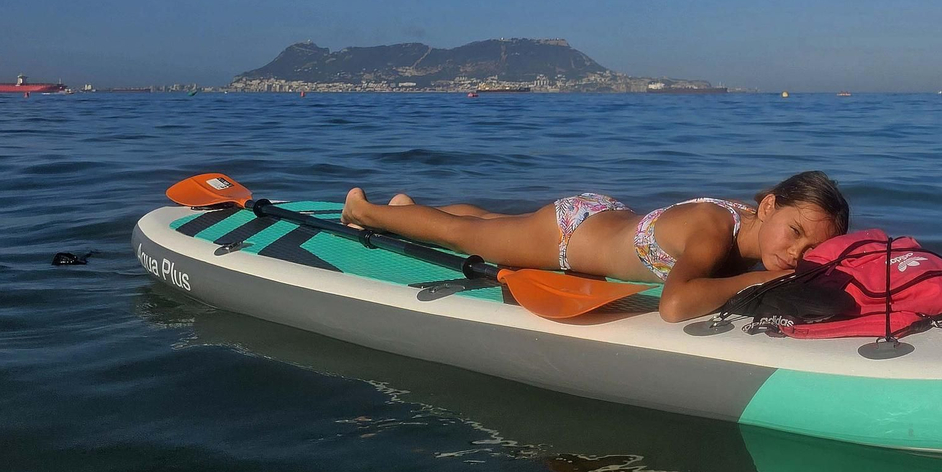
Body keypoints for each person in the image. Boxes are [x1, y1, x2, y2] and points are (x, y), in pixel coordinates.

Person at [341, 170, 849, 322]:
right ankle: (364, 210)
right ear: (767, 208)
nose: (797, 254)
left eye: (812, 248)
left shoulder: (745, 215)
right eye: (795, 232)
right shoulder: (713, 232)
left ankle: (405, 207)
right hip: (567, 236)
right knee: (466, 238)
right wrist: (764, 278)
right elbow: (674, 305)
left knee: (495, 222)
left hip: (602, 215)